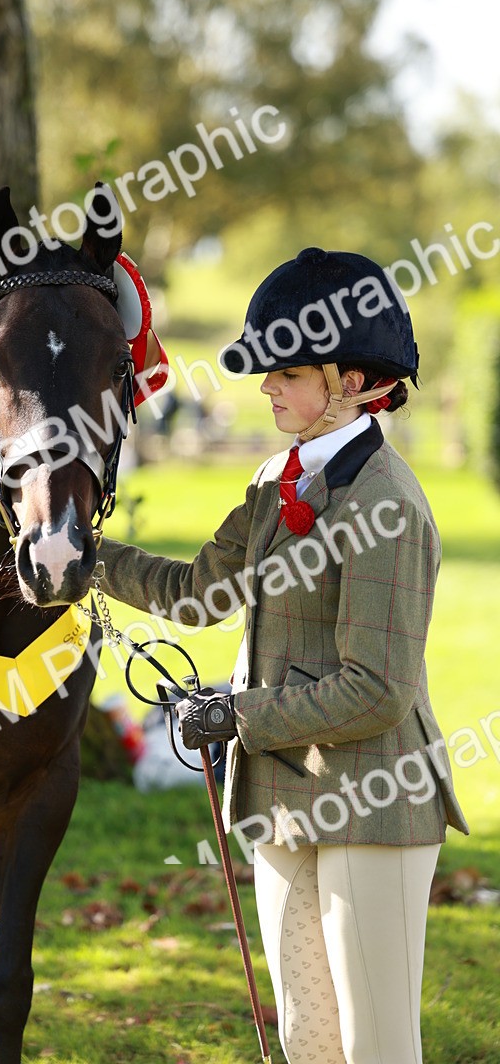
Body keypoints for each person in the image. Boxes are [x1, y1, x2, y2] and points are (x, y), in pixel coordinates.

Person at [96, 246, 468, 1064]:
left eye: (287, 372)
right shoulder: (276, 478)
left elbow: (377, 690)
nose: (265, 385)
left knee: (376, 1047)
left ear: (356, 380)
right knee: (309, 1039)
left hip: (373, 804)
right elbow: (199, 593)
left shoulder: (389, 505)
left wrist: (235, 714)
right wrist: (82, 557)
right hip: (281, 798)